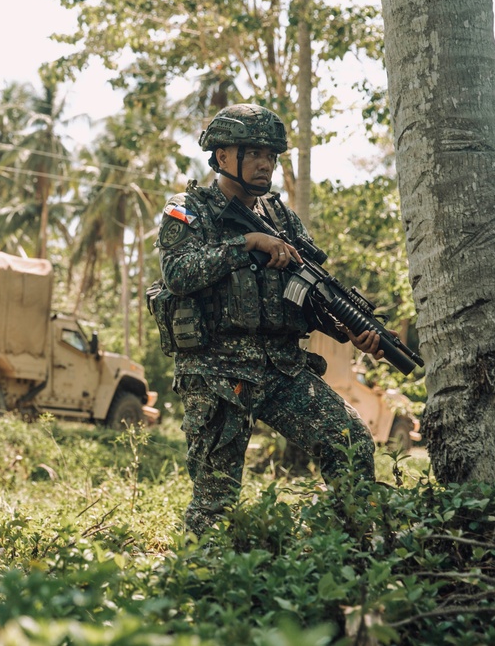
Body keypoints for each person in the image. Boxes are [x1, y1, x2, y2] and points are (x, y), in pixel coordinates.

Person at [157, 103, 387, 536]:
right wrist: (247, 243)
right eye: (254, 152)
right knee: (215, 500)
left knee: (350, 440)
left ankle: (358, 549)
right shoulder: (189, 209)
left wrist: (352, 330)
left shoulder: (281, 217)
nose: (266, 164)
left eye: (271, 155)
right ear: (223, 156)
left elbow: (311, 293)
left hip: (281, 368)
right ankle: (204, 580)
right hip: (217, 371)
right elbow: (177, 273)